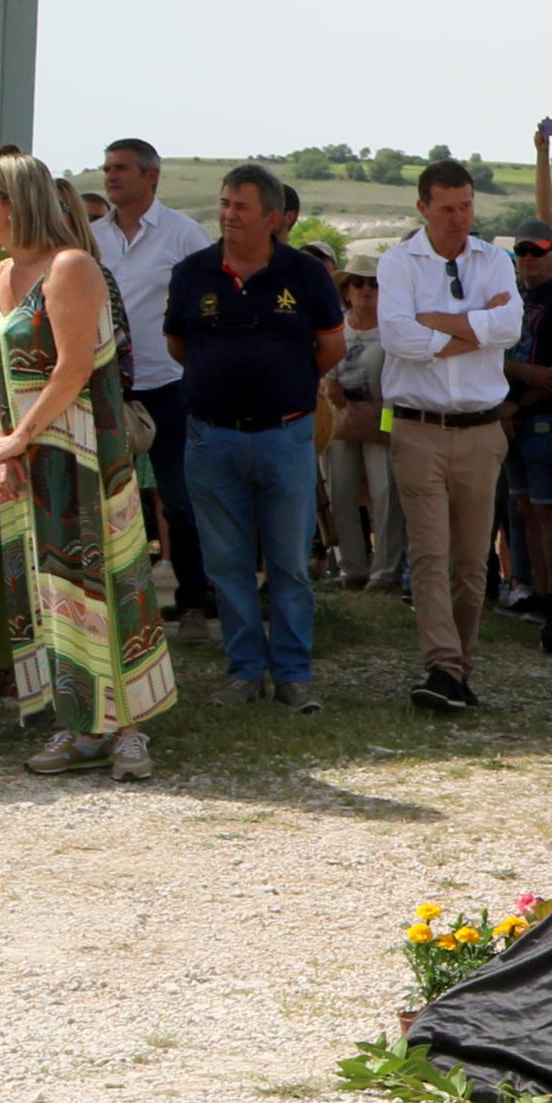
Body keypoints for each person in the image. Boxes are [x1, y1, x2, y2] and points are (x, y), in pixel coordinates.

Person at [0, 153, 176, 778]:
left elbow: (73, 368)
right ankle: (78, 723)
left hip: (86, 452)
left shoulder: (71, 267)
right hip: (28, 456)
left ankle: (130, 729)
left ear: (12, 198)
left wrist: (18, 439)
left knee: (104, 581)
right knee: (45, 588)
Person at [165, 163, 342, 710]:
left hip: (284, 437)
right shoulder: (193, 272)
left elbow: (330, 350)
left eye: (240, 207)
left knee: (288, 562)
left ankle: (292, 674)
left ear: (272, 217)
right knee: (227, 563)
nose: (227, 215)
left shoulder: (306, 276)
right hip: (211, 439)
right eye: (223, 204)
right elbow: (178, 345)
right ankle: (244, 671)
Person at [373, 159, 525, 710]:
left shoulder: (494, 259)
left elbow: (510, 327)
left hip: (482, 430)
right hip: (419, 427)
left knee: (471, 558)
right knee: (431, 553)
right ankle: (442, 666)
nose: (459, 218)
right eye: (447, 208)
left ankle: (459, 669)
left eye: (466, 206)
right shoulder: (398, 262)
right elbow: (396, 337)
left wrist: (436, 320)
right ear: (423, 208)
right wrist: (475, 329)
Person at [91, 138, 214, 619]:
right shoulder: (89, 236)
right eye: (106, 168)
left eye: (121, 168)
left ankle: (194, 597)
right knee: (106, 502)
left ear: (151, 176)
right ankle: (116, 605)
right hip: (106, 385)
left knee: (180, 500)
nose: (110, 176)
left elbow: (210, 303)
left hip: (169, 385)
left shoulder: (184, 235)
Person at [498, 223, 552, 605]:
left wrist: (514, 392)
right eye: (523, 250)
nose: (530, 257)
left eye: (539, 249)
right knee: (525, 508)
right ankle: (535, 589)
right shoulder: (510, 295)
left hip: (545, 415)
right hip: (510, 414)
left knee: (547, 509)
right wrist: (518, 376)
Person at [321, 267, 401, 592]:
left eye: (374, 283)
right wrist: (329, 381)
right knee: (338, 491)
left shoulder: (393, 330)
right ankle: (352, 567)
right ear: (346, 289)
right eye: (358, 282)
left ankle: (384, 572)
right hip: (341, 416)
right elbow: (323, 365)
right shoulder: (335, 328)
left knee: (386, 492)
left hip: (383, 416)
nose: (366, 289)